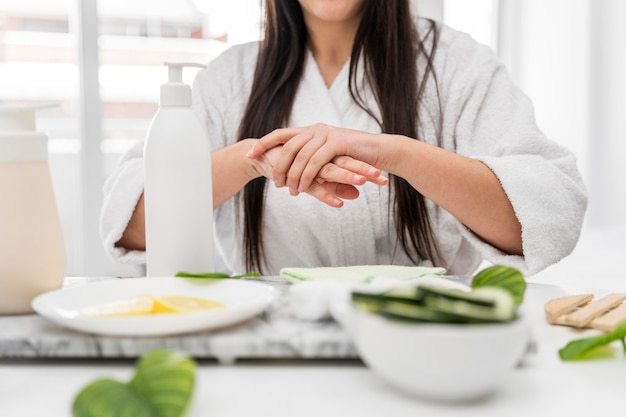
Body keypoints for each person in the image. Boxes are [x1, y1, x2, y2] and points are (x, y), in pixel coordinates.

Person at [100, 0, 587, 277]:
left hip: (428, 339)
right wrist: (253, 160)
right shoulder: (228, 79)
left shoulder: (459, 65)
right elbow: (133, 226)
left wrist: (394, 152)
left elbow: (546, 214)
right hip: (273, 343)